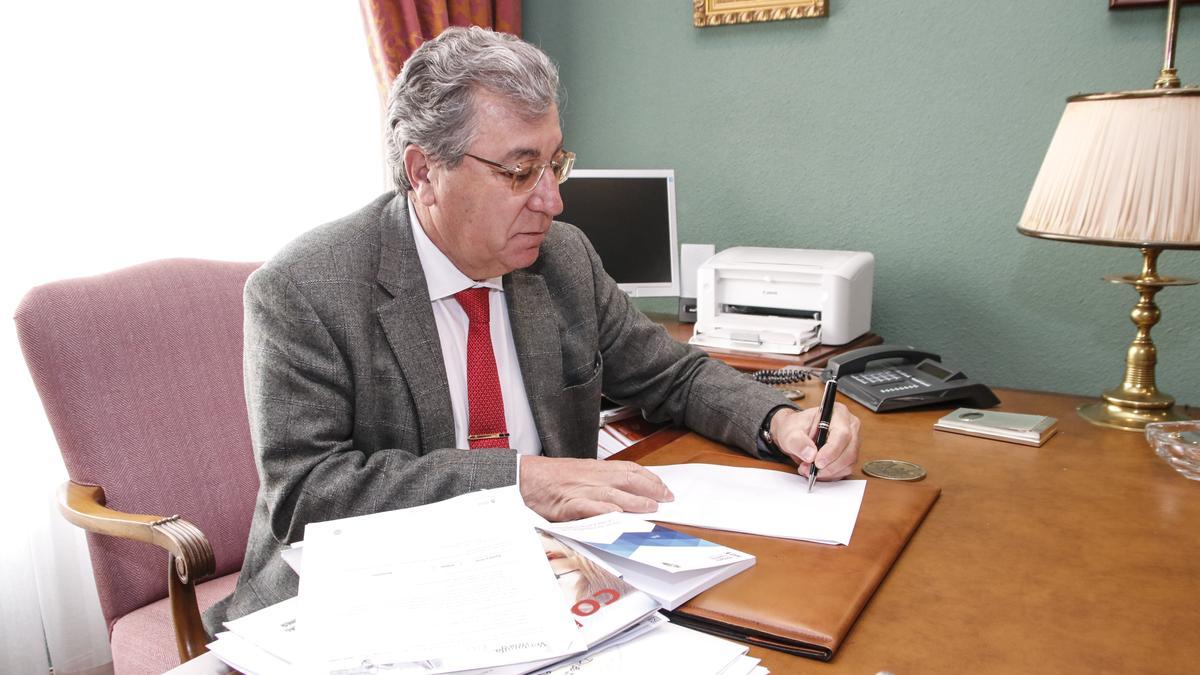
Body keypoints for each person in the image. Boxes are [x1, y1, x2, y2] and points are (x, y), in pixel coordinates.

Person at [204, 26, 860, 634]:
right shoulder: (305, 288)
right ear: (424, 170)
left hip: (547, 577)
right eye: (520, 172)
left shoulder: (562, 256)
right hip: (364, 601)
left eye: (555, 163)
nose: (552, 199)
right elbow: (309, 495)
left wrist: (778, 421)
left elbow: (670, 371)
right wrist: (522, 478)